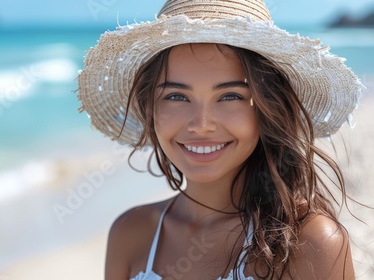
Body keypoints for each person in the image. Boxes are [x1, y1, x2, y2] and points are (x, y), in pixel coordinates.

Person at [77, 0, 363, 279]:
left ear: (269, 108)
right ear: (150, 108)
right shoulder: (130, 234)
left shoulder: (311, 244)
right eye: (176, 96)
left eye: (230, 96)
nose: (201, 125)